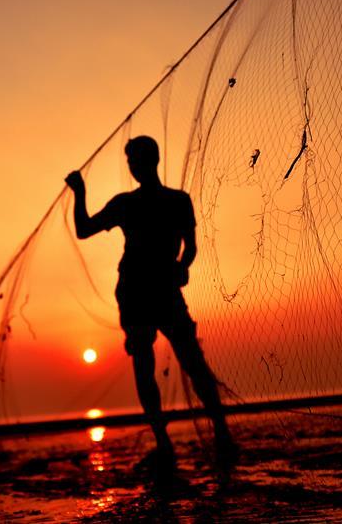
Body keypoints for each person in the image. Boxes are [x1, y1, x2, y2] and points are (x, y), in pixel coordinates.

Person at [65, 135, 237, 472]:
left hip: (156, 291)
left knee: (188, 362)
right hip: (136, 292)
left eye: (136, 160)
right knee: (154, 364)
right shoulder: (134, 203)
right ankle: (173, 442)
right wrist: (80, 192)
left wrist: (181, 268)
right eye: (130, 161)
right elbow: (85, 230)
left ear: (151, 161)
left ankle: (216, 436)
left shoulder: (167, 201)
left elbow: (190, 247)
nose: (133, 166)